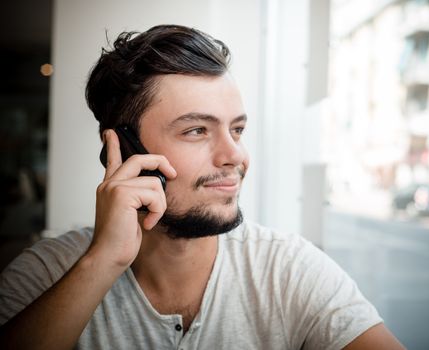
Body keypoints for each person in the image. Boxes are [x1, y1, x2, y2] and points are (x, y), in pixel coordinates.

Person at [0, 25, 404, 349]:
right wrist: (103, 260)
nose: (236, 156)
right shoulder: (45, 275)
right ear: (123, 151)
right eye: (197, 130)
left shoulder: (289, 270)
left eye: (237, 129)